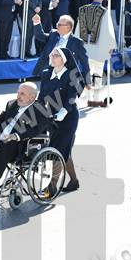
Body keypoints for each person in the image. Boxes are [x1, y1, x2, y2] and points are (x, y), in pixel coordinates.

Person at [39, 48, 82, 192]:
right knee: (64, 150)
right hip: (51, 116)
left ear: (63, 59)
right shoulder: (46, 73)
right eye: (51, 55)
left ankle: (52, 186)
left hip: (68, 117)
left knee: (57, 149)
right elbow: (41, 96)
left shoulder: (71, 75)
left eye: (56, 55)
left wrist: (63, 111)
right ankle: (74, 181)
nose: (52, 57)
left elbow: (71, 97)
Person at [32, 14, 90, 90]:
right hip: (48, 72)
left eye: (59, 25)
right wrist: (37, 22)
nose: (57, 26)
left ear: (68, 27)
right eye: (57, 24)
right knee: (45, 94)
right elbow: (40, 36)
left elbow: (84, 62)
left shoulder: (77, 42)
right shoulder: (53, 34)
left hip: (65, 76)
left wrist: (87, 81)